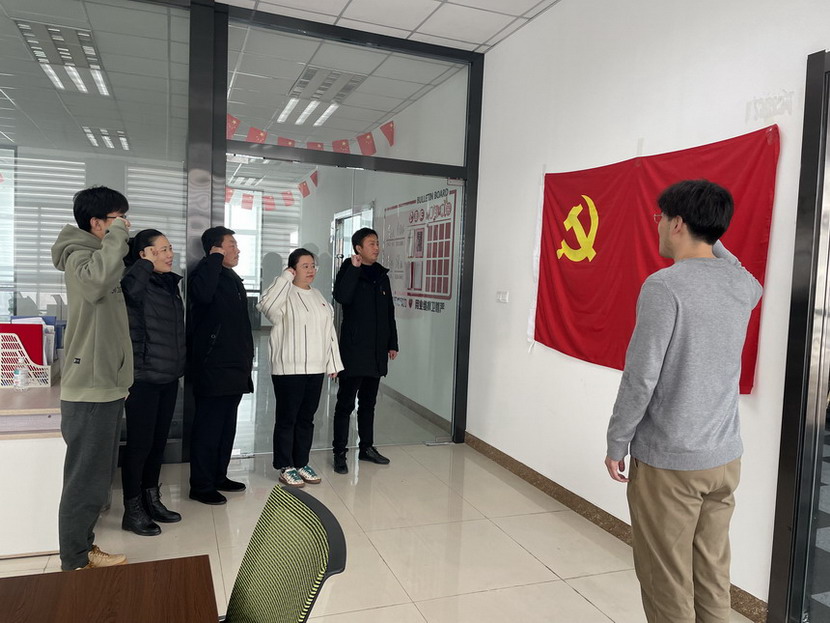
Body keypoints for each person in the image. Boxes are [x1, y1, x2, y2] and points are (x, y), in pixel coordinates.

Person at [604, 180, 763, 623]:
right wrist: (712, 236)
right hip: (724, 459)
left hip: (671, 462)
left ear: (677, 223)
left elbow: (641, 377)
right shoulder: (740, 285)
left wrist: (617, 441)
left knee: (667, 582)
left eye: (661, 218)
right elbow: (743, 273)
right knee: (712, 575)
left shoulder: (664, 286)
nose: (657, 226)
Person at [51, 186, 132, 570]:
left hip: (106, 385)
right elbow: (97, 283)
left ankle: (83, 550)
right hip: (89, 389)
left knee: (96, 480)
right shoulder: (80, 257)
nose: (125, 226)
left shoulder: (99, 256)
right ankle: (74, 561)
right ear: (97, 222)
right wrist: (117, 237)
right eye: (118, 219)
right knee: (84, 482)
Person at [257, 248, 343, 487]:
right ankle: (285, 466)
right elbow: (266, 306)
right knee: (288, 419)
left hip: (315, 369)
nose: (311, 270)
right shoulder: (284, 294)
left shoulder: (318, 295)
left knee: (307, 418)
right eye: (305, 266)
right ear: (292, 269)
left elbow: (329, 331)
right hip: (289, 369)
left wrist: (333, 363)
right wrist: (285, 277)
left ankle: (301, 462)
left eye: (313, 265)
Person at [120, 229, 185, 535]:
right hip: (144, 377)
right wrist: (143, 265)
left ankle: (151, 500)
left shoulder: (167, 283)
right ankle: (132, 510)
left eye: (170, 248)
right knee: (139, 446)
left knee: (158, 443)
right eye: (162, 250)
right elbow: (129, 294)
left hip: (168, 375)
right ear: (144, 254)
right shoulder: (135, 279)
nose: (170, 255)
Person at [187, 226, 254, 505]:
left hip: (234, 365)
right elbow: (202, 296)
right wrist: (213, 260)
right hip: (213, 365)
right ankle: (201, 485)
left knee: (227, 426)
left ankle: (219, 476)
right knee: (209, 427)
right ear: (216, 249)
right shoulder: (205, 272)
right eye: (231, 245)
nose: (237, 250)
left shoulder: (231, 277)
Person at [331, 227, 399, 474]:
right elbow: (342, 297)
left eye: (377, 243)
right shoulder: (349, 270)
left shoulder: (381, 275)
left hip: (376, 350)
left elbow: (389, 312)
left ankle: (367, 448)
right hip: (354, 349)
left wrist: (392, 343)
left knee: (368, 403)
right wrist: (354, 268)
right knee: (345, 404)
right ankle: (339, 452)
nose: (376, 247)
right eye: (371, 243)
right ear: (358, 248)